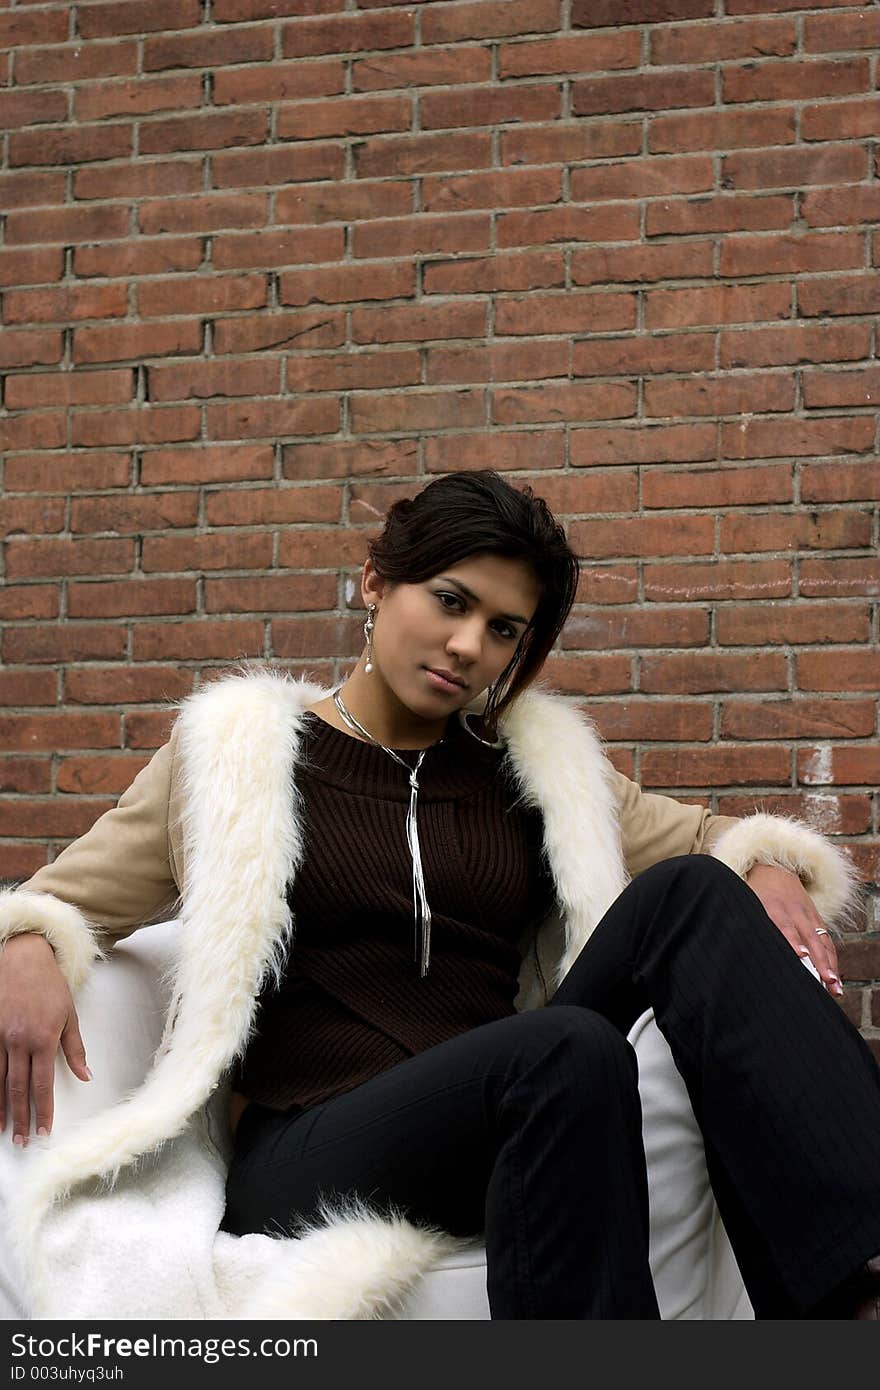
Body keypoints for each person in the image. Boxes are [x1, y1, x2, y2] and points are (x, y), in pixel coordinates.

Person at [1, 469, 878, 1320]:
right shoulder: (238, 761)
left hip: (510, 1105)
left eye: (504, 629)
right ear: (377, 582)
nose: (470, 647)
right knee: (566, 1049)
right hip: (314, 1141)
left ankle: (852, 1288)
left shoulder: (528, 772)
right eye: (451, 602)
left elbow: (700, 843)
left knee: (686, 896)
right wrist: (31, 942)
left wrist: (765, 862)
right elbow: (63, 896)